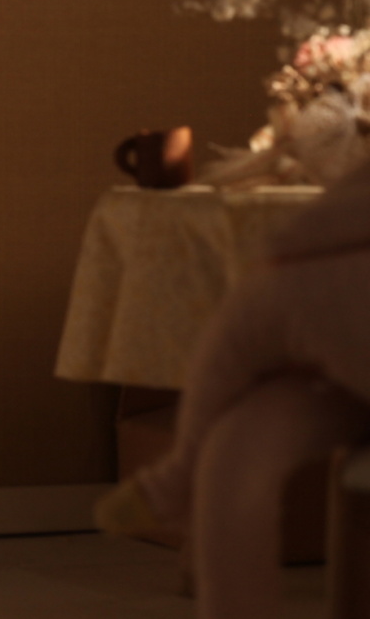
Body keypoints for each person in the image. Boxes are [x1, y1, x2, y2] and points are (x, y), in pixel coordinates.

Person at [95, 158, 370, 618]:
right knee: (237, 443)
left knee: (236, 431)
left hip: (299, 271)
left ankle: (176, 479)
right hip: (323, 282)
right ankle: (179, 479)